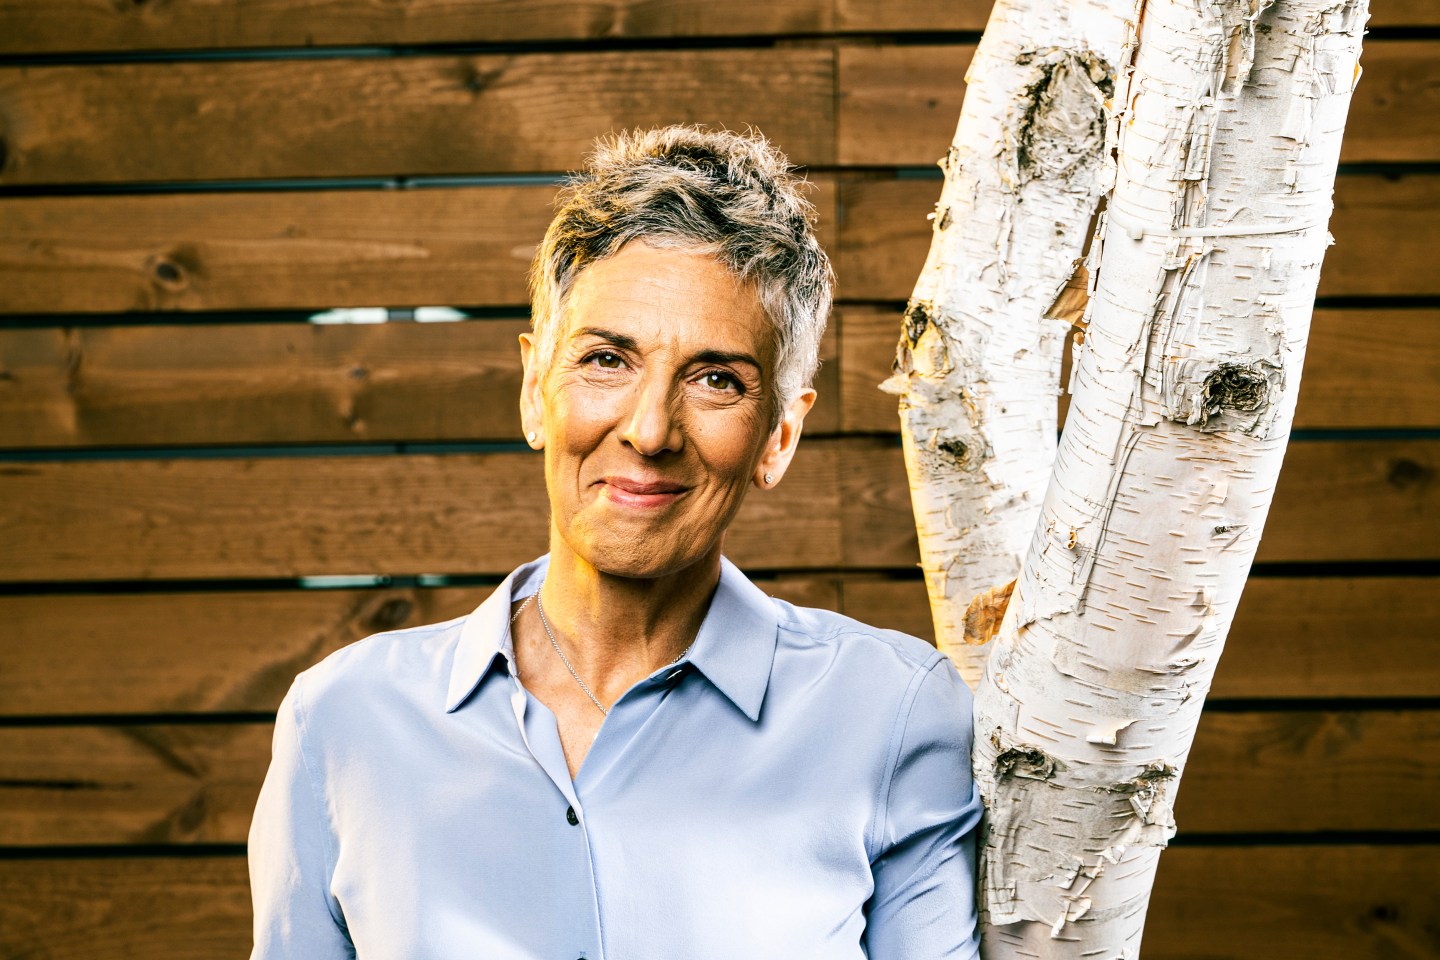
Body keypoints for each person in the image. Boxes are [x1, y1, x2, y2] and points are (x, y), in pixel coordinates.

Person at [248, 125, 982, 959]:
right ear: (535, 391)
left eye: (716, 380)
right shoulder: (342, 722)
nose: (648, 429)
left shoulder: (893, 715)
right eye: (605, 360)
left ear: (779, 435)